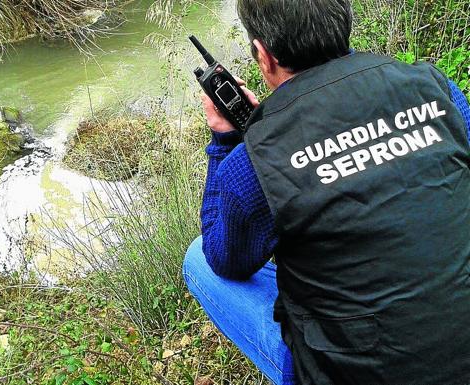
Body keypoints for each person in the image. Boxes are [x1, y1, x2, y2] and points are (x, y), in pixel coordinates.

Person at [182, 0, 470, 384]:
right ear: (344, 22)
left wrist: (225, 141)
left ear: (263, 56)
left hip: (355, 372)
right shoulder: (440, 90)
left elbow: (225, 258)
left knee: (199, 261)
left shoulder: (255, 158)